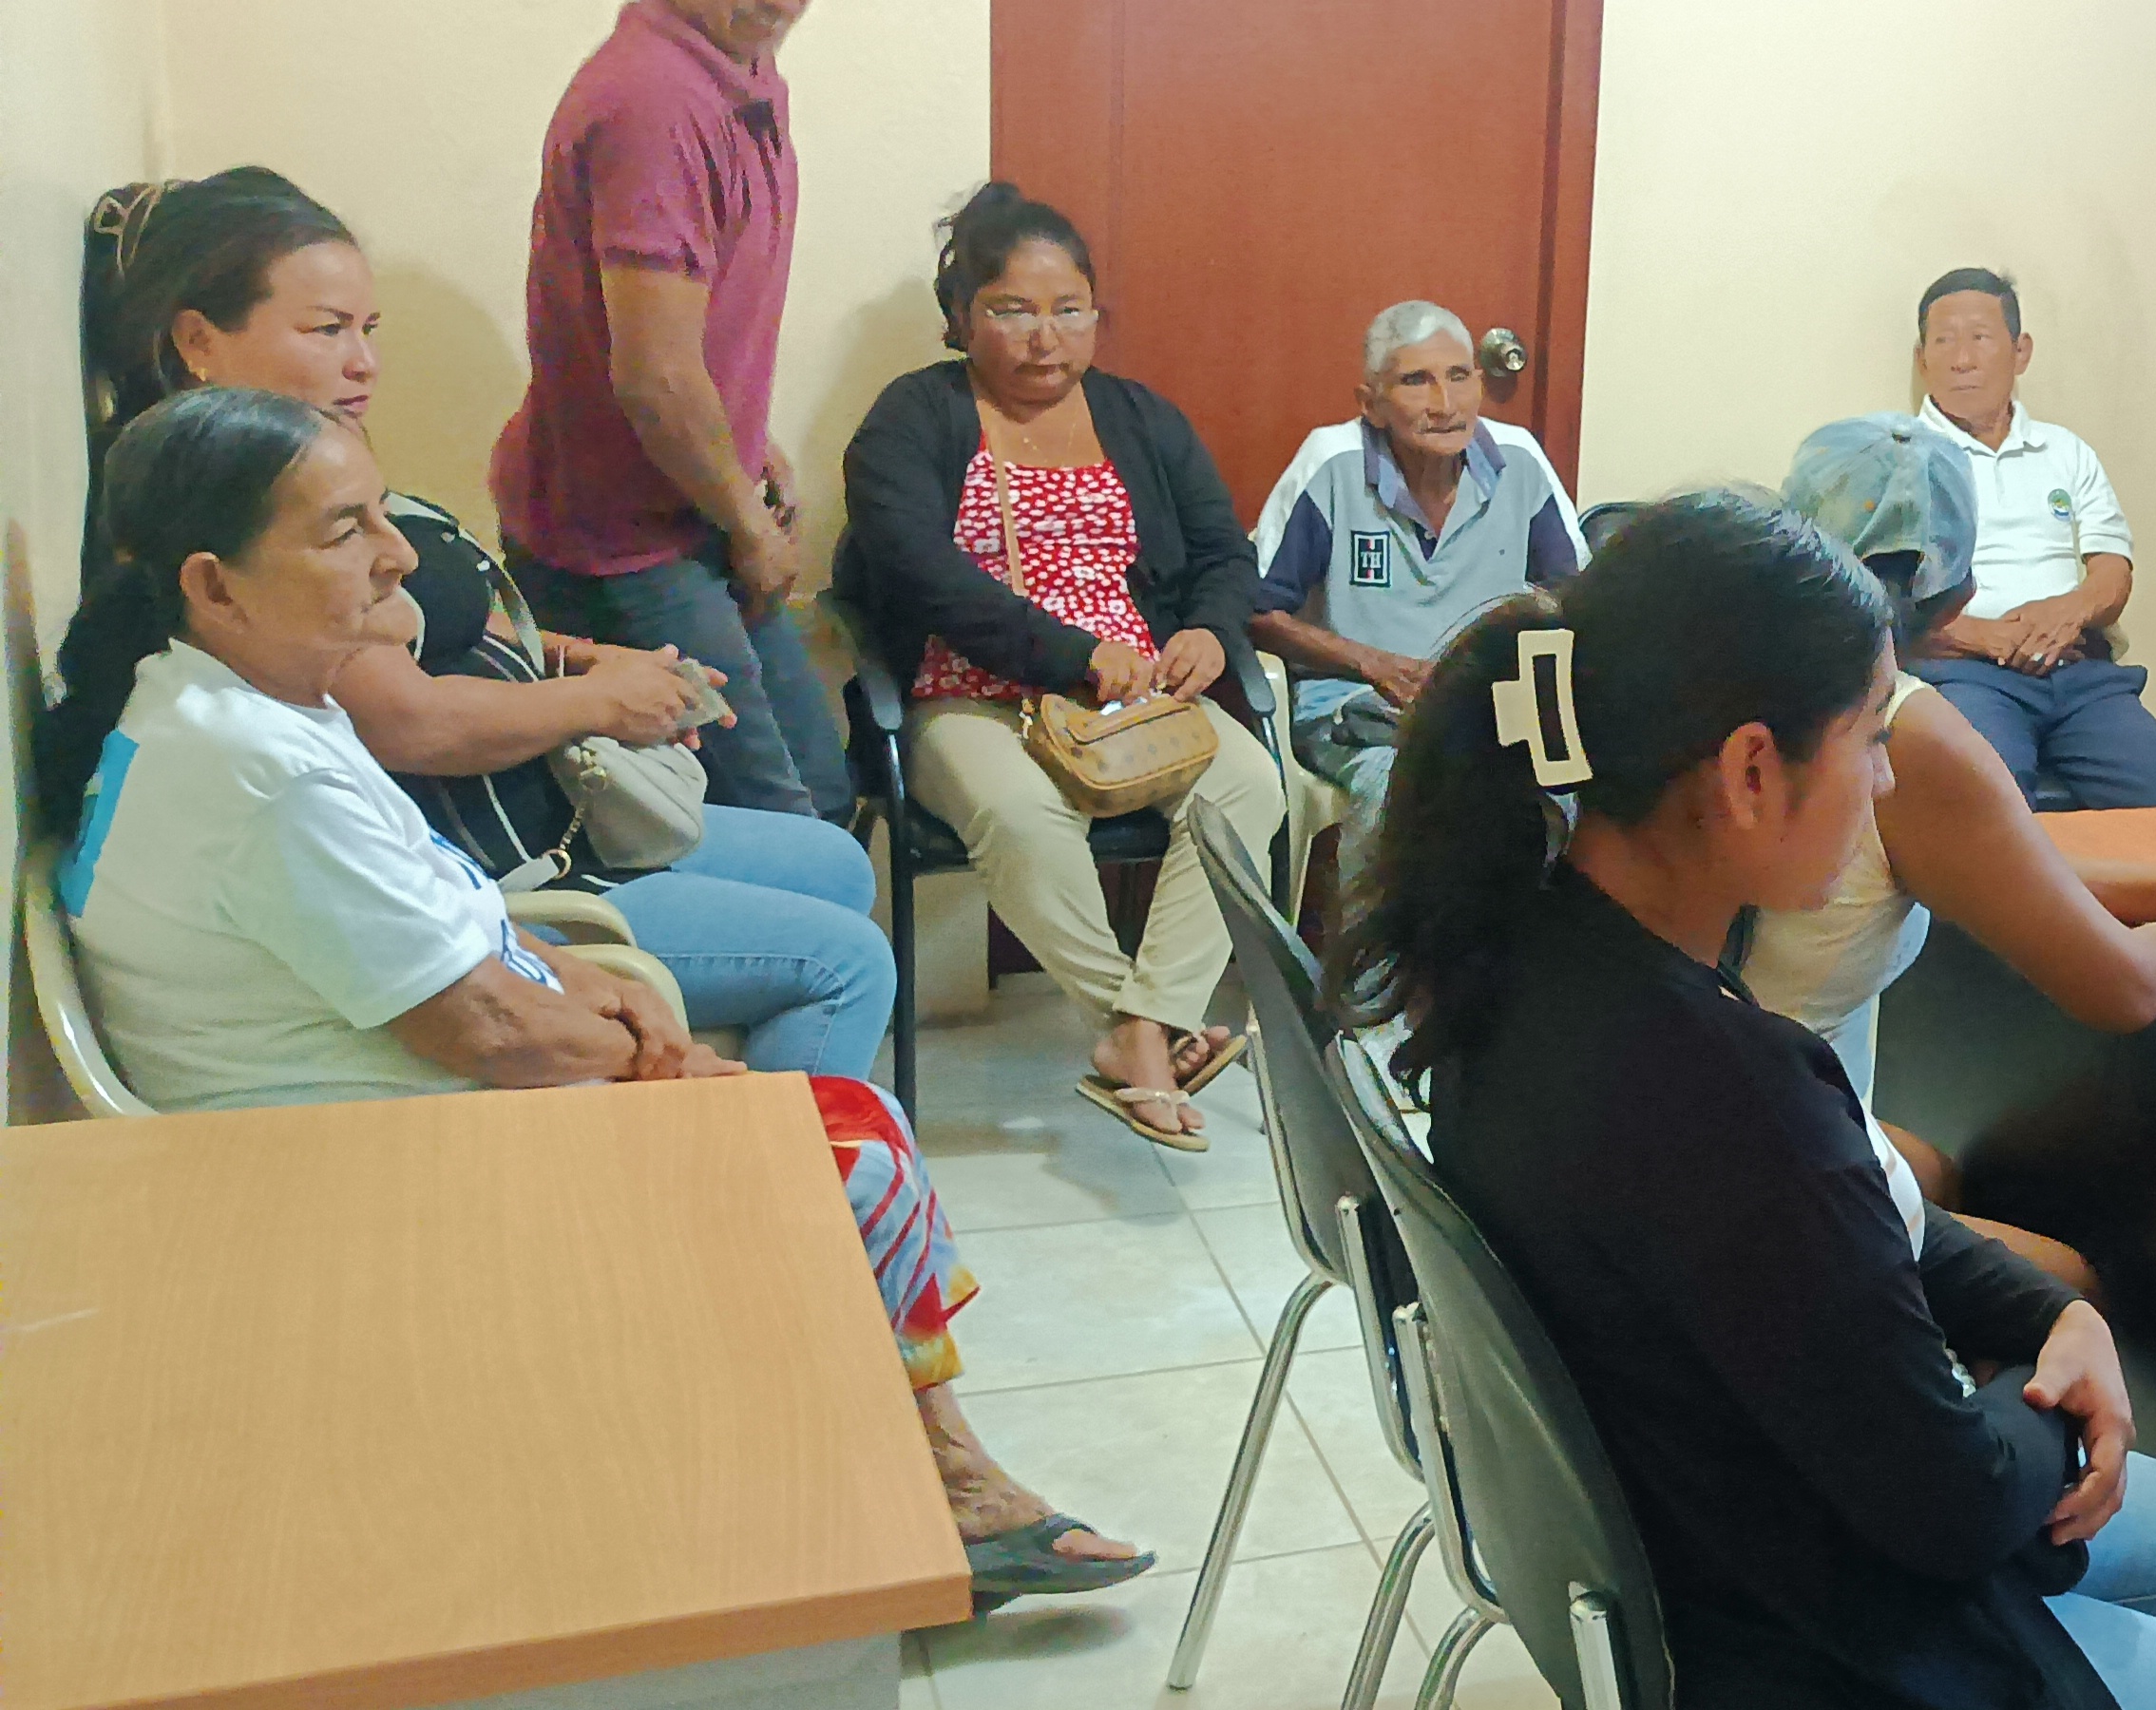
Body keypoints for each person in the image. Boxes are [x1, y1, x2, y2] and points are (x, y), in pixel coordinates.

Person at [39, 387, 1149, 1610]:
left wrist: (589, 980)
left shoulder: (240, 703)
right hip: (352, 1177)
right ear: (215, 585)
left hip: (396, 1109)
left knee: (831, 1114)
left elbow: (450, 910)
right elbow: (487, 1032)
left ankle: (928, 1475)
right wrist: (652, 1058)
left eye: (380, 514)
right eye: (345, 529)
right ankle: (900, 1486)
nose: (395, 554)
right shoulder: (261, 771)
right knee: (845, 1153)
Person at [1331, 490, 2156, 1709]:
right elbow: (1957, 1502)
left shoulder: (1532, 948)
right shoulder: (1723, 1096)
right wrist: (2057, 1396)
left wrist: (2050, 1313)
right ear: (1750, 771)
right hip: (1803, 1639)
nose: (1885, 778)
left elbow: (1861, 1224)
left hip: (1696, 1549)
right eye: (1870, 735)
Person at [82, 168, 895, 1081]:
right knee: (845, 961)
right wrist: (600, 704)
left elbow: (445, 641)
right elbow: (413, 727)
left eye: (369, 329)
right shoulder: (243, 557)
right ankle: (788, 1151)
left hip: (511, 847)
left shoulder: (301, 509)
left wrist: (584, 658)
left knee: (833, 864)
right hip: (513, 867)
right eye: (327, 330)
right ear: (198, 341)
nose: (364, 362)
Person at [1753, 414, 2156, 1288]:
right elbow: (2123, 985)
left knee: (1938, 1171)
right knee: (2071, 1283)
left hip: (1726, 1069)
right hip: (1760, 1124)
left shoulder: (1746, 672)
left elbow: (1987, 864)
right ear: (1957, 591)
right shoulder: (1901, 730)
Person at [834, 183, 1285, 1150]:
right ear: (962, 317)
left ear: (1096, 315)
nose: (1046, 339)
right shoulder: (912, 418)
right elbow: (918, 575)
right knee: (1020, 815)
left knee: (1250, 785)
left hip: (1135, 702)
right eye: (1013, 310)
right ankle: (1143, 1037)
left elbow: (1223, 550)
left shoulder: (1140, 417)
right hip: (969, 693)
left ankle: (1142, 1027)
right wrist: (1074, 656)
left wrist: (1211, 631)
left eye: (1069, 310)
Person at [491, 0, 851, 821]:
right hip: (621, 545)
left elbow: (687, 332)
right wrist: (751, 527)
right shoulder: (656, 100)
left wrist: (746, 442)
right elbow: (655, 378)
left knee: (823, 799)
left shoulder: (738, 68)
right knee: (773, 824)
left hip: (693, 503)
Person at [1248, 298, 1585, 891]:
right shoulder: (1332, 463)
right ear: (1371, 402)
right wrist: (1372, 663)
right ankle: (1383, 953)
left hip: (1490, 705)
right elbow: (1257, 612)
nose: (1444, 403)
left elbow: (1577, 598)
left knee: (1563, 797)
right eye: (1416, 381)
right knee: (1401, 794)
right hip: (1359, 708)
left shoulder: (1519, 461)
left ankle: (1520, 948)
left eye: (1458, 376)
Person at [1906, 268, 2156, 812]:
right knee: (1987, 813)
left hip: (2077, 669)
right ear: (1922, 358)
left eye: (1980, 337)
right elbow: (1875, 599)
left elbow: (2112, 569)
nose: (1962, 359)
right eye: (1943, 341)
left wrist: (2068, 613)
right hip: (1965, 674)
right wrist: (1984, 637)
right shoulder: (1897, 456)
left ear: (2020, 352)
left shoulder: (2065, 451)